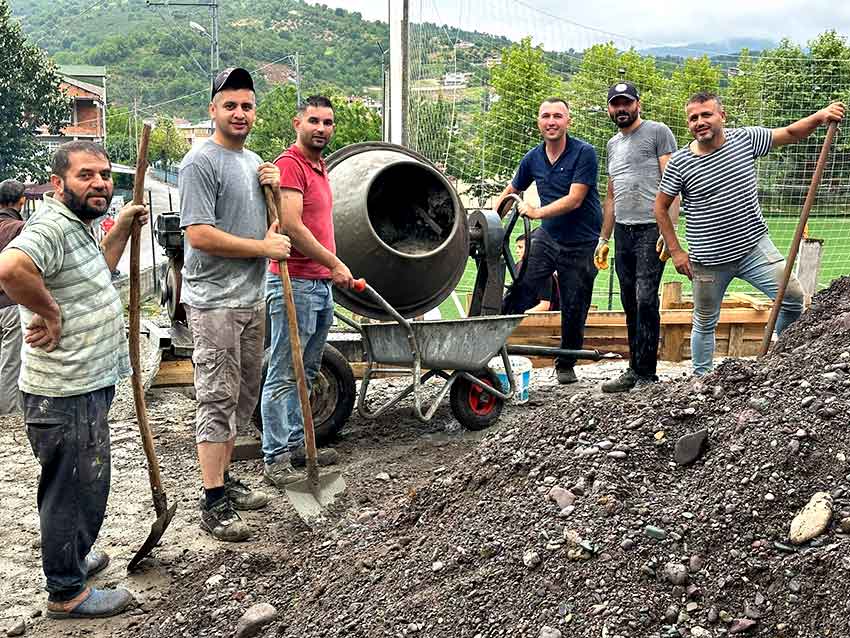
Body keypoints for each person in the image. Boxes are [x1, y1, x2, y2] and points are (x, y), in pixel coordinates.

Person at [0, 141, 147, 618]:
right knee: (71, 488)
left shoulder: (77, 227)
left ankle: (75, 558)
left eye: (104, 174)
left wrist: (121, 228)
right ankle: (67, 592)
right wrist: (50, 311)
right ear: (59, 183)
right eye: (86, 175)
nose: (100, 182)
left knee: (88, 483)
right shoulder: (48, 225)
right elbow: (11, 267)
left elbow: (98, 274)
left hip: (86, 383)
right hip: (63, 391)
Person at [655, 92, 845, 375]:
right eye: (693, 118)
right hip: (708, 258)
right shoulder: (681, 162)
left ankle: (777, 354)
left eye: (706, 114)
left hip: (752, 247)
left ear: (722, 116)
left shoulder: (745, 139)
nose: (699, 122)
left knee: (792, 297)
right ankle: (701, 381)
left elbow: (791, 133)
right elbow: (660, 207)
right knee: (705, 322)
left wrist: (819, 117)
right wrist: (677, 250)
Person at [178, 67, 291, 541]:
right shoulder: (198, 163)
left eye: (246, 106)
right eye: (230, 105)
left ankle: (225, 480)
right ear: (213, 111)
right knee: (217, 396)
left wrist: (275, 186)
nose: (239, 113)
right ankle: (212, 499)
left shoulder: (254, 162)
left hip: (250, 297)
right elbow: (199, 235)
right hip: (214, 302)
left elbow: (271, 230)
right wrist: (264, 250)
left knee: (244, 395)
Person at [261, 95, 355, 489]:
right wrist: (334, 263)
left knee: (309, 370)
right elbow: (293, 226)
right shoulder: (291, 165)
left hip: (317, 284)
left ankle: (300, 444)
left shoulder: (319, 167)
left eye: (328, 122)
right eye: (314, 121)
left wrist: (328, 268)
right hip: (294, 281)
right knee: (285, 370)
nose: (321, 128)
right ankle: (275, 455)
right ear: (297, 123)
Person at [495, 97, 602, 384]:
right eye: (546, 116)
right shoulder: (532, 158)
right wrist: (491, 221)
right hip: (549, 234)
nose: (551, 121)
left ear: (568, 121)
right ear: (538, 122)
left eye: (558, 116)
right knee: (521, 285)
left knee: (574, 303)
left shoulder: (584, 153)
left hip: (581, 241)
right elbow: (511, 191)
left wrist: (536, 211)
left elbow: (575, 199)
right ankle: (490, 346)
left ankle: (565, 363)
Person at [597, 82, 679, 392]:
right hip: (624, 231)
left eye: (626, 103)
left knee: (646, 298)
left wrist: (667, 233)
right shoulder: (611, 145)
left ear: (637, 104)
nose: (621, 108)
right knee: (630, 300)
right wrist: (604, 239)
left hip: (650, 229)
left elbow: (672, 183)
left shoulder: (658, 132)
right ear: (609, 109)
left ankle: (647, 374)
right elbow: (611, 195)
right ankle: (634, 368)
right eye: (615, 104)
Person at [0, 179, 27, 414]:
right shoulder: (19, 229)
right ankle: (8, 418)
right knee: (11, 364)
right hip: (10, 305)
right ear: (22, 201)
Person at [502, 231, 560, 313]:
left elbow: (545, 305)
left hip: (534, 317)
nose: (517, 251)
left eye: (520, 247)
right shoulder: (518, 266)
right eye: (517, 247)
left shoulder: (544, 272)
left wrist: (524, 314)